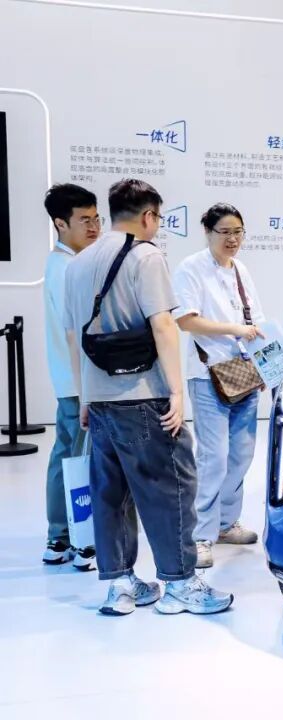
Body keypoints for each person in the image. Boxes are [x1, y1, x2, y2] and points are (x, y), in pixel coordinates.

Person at [64, 178, 232, 616]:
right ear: (148, 216)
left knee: (110, 493)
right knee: (170, 485)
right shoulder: (146, 255)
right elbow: (163, 325)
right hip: (143, 394)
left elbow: (73, 336)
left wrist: (84, 397)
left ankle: (121, 585)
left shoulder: (78, 263)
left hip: (99, 398)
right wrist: (176, 391)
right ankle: (180, 583)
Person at [173, 204, 266, 569]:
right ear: (207, 232)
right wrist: (234, 330)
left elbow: (256, 324)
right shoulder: (191, 268)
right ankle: (200, 535)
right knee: (213, 458)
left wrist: (265, 367)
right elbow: (186, 320)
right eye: (224, 232)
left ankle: (226, 524)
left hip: (243, 374)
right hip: (208, 373)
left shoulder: (241, 270)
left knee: (241, 454)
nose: (232, 239)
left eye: (238, 231)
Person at [42, 184, 100, 569]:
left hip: (70, 381)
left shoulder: (61, 263)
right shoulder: (68, 269)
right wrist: (86, 392)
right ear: (61, 224)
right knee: (77, 461)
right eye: (84, 220)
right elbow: (75, 334)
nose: (93, 227)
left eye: (96, 218)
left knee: (65, 456)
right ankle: (76, 541)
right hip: (79, 384)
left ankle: (60, 537)